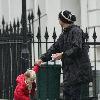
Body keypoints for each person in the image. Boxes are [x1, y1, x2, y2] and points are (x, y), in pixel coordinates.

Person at [35, 10, 92, 100]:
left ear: (62, 20)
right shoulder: (64, 34)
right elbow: (54, 48)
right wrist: (42, 59)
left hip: (79, 74)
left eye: (59, 19)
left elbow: (77, 48)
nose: (58, 20)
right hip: (69, 74)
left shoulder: (76, 31)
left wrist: (63, 55)